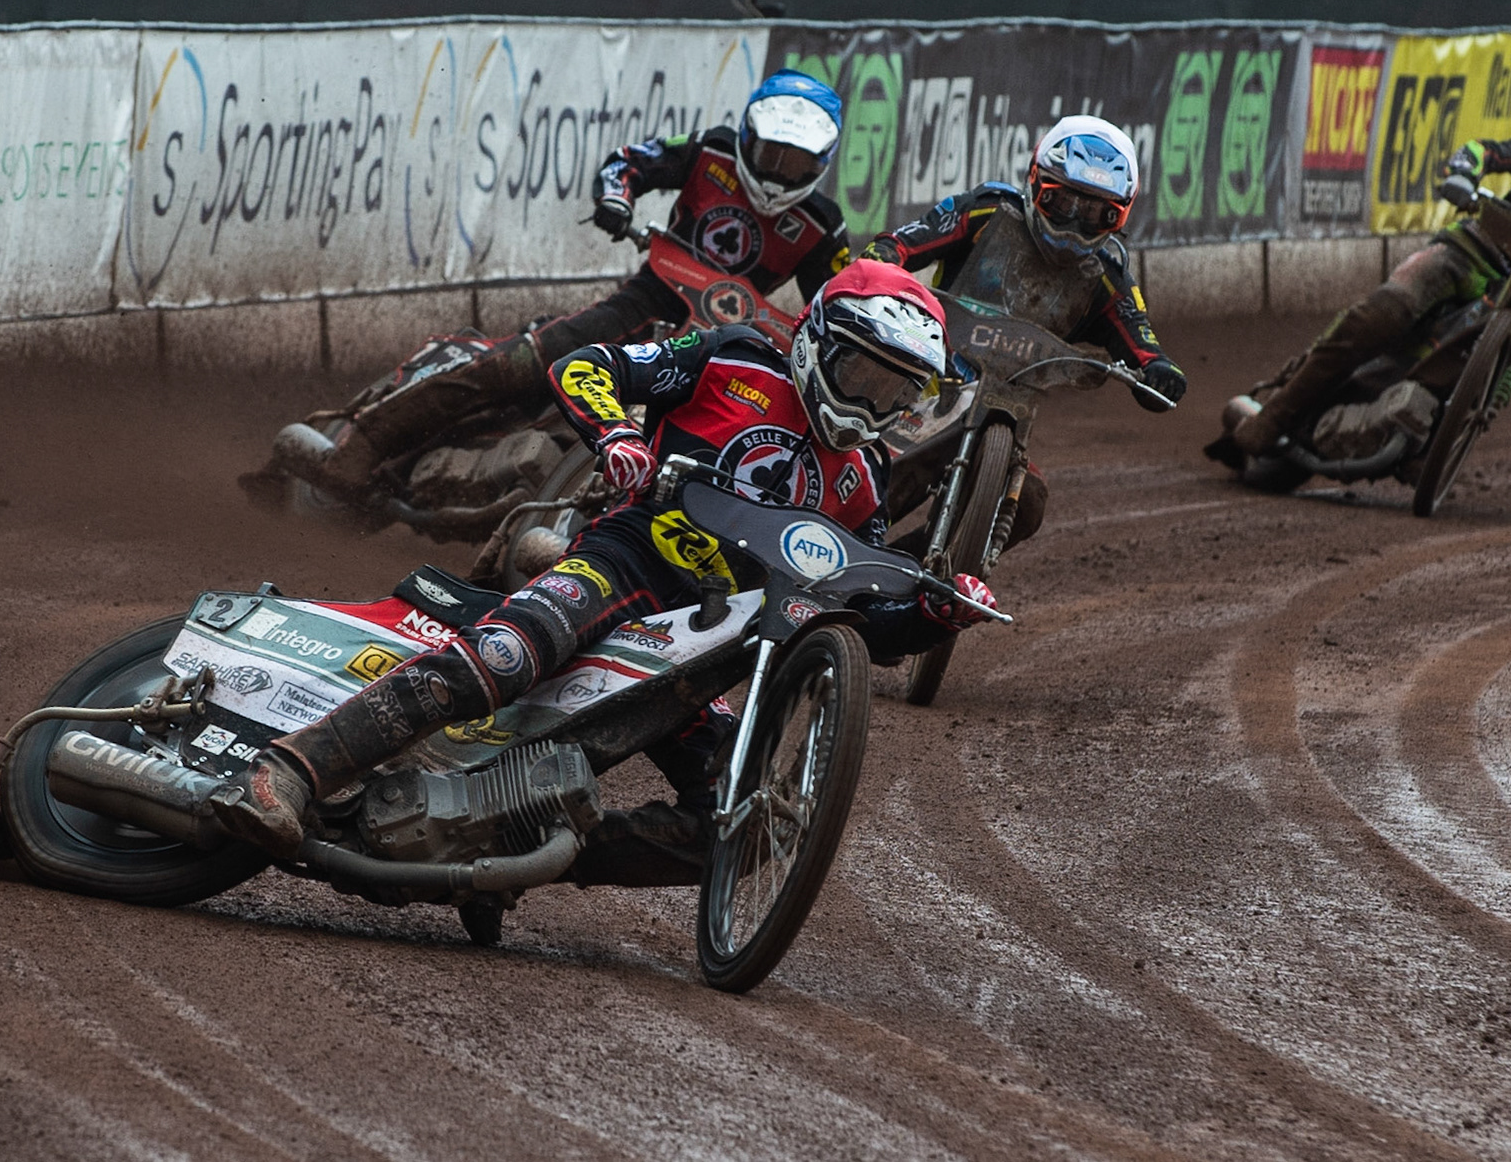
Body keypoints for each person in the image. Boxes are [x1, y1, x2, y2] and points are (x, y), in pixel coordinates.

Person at [213, 260, 997, 878]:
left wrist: (937, 609)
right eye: (863, 374)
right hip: (625, 560)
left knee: (744, 814)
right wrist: (618, 435)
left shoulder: (864, 477)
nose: (871, 400)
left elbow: (867, 605)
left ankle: (518, 857)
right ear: (820, 336)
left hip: (707, 640)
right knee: (504, 654)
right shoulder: (734, 358)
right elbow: (590, 365)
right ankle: (287, 771)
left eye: (895, 388)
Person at [267, 69, 854, 497]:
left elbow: (836, 306)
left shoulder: (822, 227)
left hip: (716, 346)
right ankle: (364, 443)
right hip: (646, 300)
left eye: (796, 162)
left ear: (822, 163)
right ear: (748, 135)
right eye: (770, 152)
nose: (778, 171)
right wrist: (614, 201)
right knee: (525, 363)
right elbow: (630, 160)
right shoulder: (709, 152)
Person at [1223, 72, 1511, 460]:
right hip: (1469, 252)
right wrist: (1464, 174)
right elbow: (1487, 151)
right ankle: (1275, 417)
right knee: (1386, 310)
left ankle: (1437, 444)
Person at [857, 114, 1188, 544]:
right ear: (1035, 182)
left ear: (1118, 217)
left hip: (1006, 411)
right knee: (868, 469)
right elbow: (903, 242)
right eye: (1064, 203)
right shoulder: (988, 211)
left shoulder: (1107, 274)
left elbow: (1141, 339)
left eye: (1095, 213)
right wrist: (883, 256)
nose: (1074, 224)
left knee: (1027, 501)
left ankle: (922, 581)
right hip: (917, 381)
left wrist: (1158, 368)